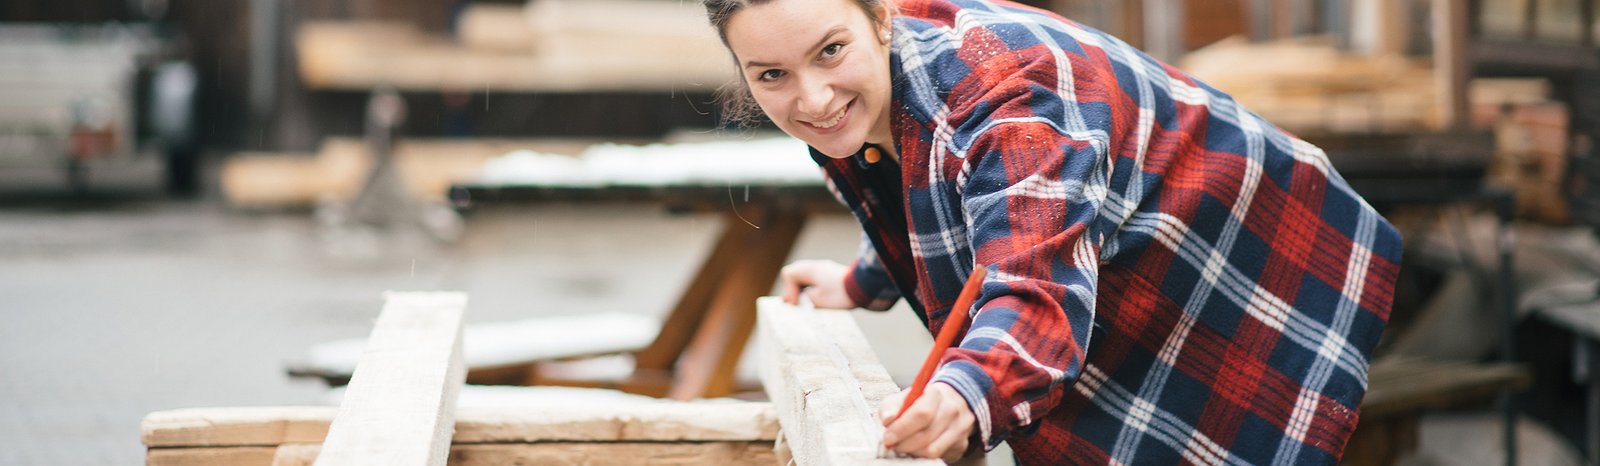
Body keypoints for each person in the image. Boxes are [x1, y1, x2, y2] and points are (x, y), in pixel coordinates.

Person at [700, 0, 1402, 464]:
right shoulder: (869, 87)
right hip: (1138, 257)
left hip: (1263, 260)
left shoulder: (1009, 101)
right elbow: (941, 189)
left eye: (830, 51)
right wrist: (863, 279)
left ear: (882, 16)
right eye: (772, 75)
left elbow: (1033, 285)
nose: (813, 98)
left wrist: (965, 391)